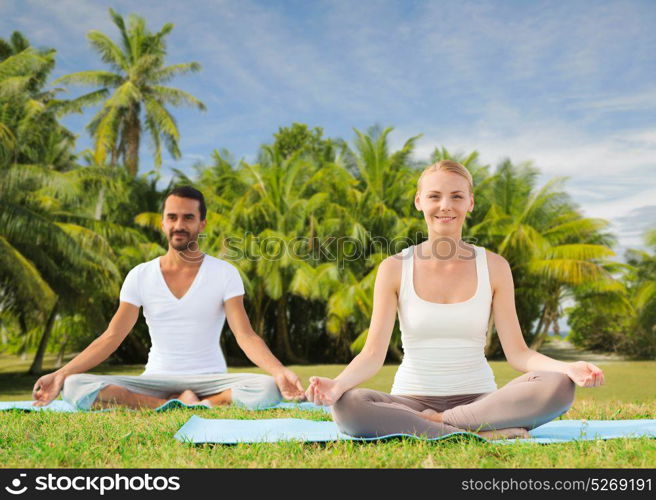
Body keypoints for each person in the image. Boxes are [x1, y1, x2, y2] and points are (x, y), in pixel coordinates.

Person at [305, 160, 605, 440]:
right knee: (349, 406)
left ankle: (438, 427)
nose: (445, 206)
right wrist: (339, 386)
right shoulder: (394, 268)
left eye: (457, 197)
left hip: (481, 400)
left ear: (470, 203)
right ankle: (477, 432)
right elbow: (372, 355)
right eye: (434, 196)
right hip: (410, 400)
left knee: (558, 387)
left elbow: (518, 353)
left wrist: (567, 369)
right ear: (419, 201)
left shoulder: (495, 266)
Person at [33, 186, 305, 410]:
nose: (179, 225)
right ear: (163, 222)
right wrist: (60, 374)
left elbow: (245, 336)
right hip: (155, 378)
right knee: (74, 385)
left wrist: (280, 372)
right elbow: (112, 336)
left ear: (201, 223)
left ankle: (200, 402)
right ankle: (171, 403)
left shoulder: (225, 273)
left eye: (188, 218)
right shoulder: (140, 275)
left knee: (268, 387)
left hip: (211, 379)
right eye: (172, 217)